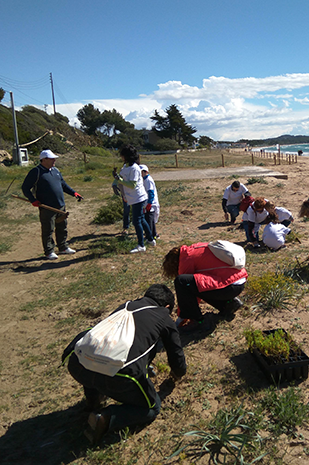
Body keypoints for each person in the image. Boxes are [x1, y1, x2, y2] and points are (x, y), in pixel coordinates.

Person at [62, 284, 186, 444]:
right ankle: (106, 417)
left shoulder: (125, 306)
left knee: (97, 354)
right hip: (117, 376)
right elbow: (176, 354)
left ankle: (93, 400)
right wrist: (178, 373)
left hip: (77, 364)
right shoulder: (163, 316)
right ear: (167, 306)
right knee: (152, 408)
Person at [162, 243, 247, 331]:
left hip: (228, 286)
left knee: (181, 281)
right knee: (201, 285)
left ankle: (198, 321)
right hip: (239, 281)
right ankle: (228, 304)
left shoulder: (185, 259)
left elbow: (187, 290)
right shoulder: (197, 248)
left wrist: (182, 316)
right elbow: (197, 286)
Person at [21, 149, 83, 260]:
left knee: (62, 227)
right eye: (51, 158)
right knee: (48, 229)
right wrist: (32, 200)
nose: (54, 160)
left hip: (60, 206)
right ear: (43, 160)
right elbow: (25, 188)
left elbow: (63, 184)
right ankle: (49, 251)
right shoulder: (36, 172)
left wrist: (74, 193)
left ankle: (63, 247)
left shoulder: (55, 170)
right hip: (47, 207)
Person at [114, 146, 155, 253]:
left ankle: (141, 245)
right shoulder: (126, 166)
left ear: (127, 156)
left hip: (138, 197)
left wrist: (120, 179)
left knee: (136, 221)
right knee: (141, 219)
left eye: (122, 155)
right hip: (132, 197)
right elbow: (123, 180)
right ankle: (150, 239)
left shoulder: (135, 168)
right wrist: (116, 181)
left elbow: (132, 185)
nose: (121, 157)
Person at [139, 164, 160, 240]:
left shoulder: (148, 180)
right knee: (150, 220)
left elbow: (151, 192)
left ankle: (150, 236)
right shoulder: (144, 180)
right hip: (148, 203)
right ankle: (154, 234)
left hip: (151, 204)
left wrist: (149, 203)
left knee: (149, 221)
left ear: (145, 172)